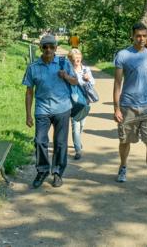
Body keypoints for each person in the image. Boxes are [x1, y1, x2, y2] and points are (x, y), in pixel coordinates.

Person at [113, 23, 147, 198]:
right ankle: (123, 165)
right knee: (125, 141)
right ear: (132, 36)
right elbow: (118, 83)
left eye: (144, 36)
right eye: (138, 36)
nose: (141, 39)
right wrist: (116, 108)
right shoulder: (123, 55)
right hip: (128, 105)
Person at [23, 34, 79, 188]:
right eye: (45, 46)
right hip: (42, 109)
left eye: (51, 47)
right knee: (40, 141)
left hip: (62, 108)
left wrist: (66, 76)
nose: (48, 49)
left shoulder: (63, 63)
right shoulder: (33, 67)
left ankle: (57, 173)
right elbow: (29, 92)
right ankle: (42, 171)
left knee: (60, 143)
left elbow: (76, 81)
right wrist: (28, 114)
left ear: (55, 48)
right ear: (41, 48)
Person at [68, 48, 94, 160]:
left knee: (82, 125)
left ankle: (78, 140)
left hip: (85, 101)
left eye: (79, 58)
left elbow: (93, 82)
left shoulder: (86, 69)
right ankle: (78, 150)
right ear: (70, 59)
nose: (77, 60)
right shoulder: (68, 70)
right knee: (75, 125)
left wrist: (88, 79)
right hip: (74, 101)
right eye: (75, 58)